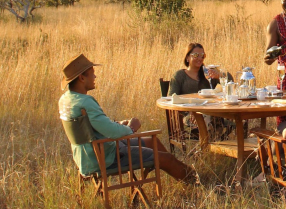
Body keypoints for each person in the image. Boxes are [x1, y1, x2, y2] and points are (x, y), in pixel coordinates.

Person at [59, 54, 197, 183]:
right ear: (82, 78)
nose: (95, 76)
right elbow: (112, 132)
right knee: (165, 158)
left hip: (86, 157)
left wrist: (118, 124)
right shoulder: (86, 102)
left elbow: (91, 127)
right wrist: (131, 128)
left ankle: (182, 174)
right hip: (107, 157)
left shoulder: (65, 100)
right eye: (92, 73)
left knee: (151, 142)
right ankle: (196, 181)